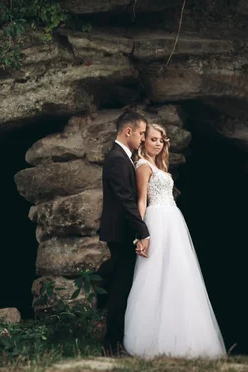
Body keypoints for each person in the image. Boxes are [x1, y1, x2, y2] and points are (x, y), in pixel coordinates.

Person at [123, 123, 227, 359]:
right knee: (155, 274)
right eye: (153, 139)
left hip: (173, 221)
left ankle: (183, 337)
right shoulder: (142, 166)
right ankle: (150, 339)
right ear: (144, 141)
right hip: (157, 220)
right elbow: (141, 200)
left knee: (179, 273)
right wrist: (141, 233)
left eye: (161, 140)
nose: (158, 143)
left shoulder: (161, 166)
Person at [99, 110, 150, 356]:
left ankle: (116, 341)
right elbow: (125, 199)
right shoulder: (118, 158)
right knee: (120, 289)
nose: (143, 138)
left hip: (121, 231)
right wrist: (143, 230)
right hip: (120, 233)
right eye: (141, 133)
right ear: (128, 131)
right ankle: (112, 345)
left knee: (122, 286)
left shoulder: (124, 156)